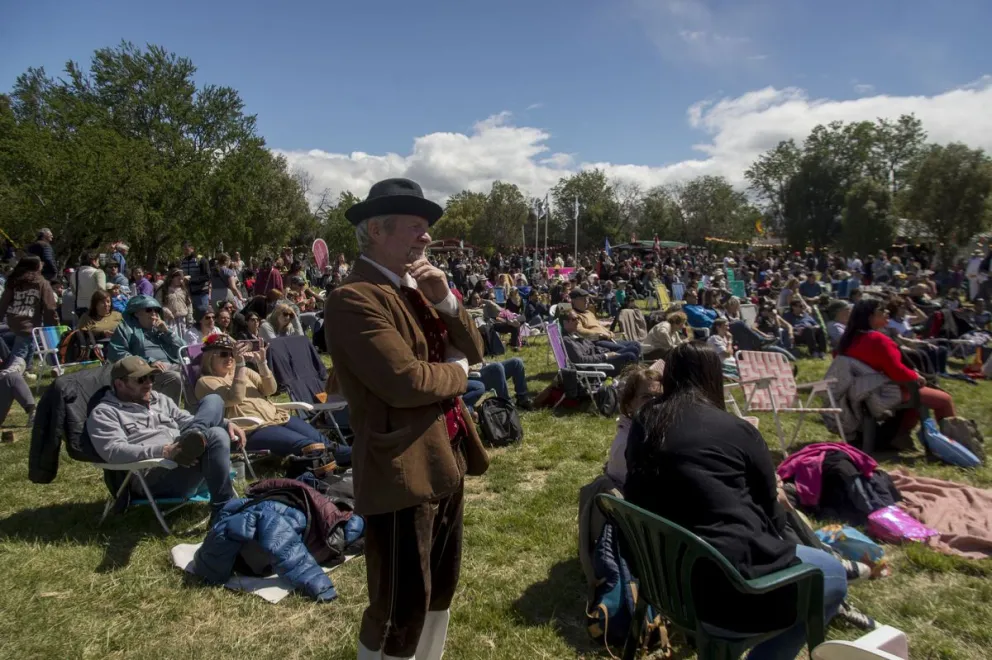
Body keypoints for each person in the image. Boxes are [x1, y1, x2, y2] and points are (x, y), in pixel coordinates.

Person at [325, 177, 489, 659]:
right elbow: (408, 381)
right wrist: (458, 371)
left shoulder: (417, 289)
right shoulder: (354, 297)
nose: (426, 237)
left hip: (446, 455)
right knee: (400, 602)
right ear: (376, 229)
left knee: (439, 586)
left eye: (426, 228)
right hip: (401, 465)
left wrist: (446, 302)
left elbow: (476, 347)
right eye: (415, 227)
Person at [625, 343, 848, 660]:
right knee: (833, 575)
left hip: (663, 580)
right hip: (729, 596)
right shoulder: (738, 429)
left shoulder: (644, 421)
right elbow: (774, 520)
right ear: (715, 377)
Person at [86, 356, 243, 521]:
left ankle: (193, 436)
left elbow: (186, 419)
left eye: (151, 377)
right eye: (141, 379)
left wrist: (226, 423)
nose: (149, 383)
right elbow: (113, 451)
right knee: (216, 434)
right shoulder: (105, 413)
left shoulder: (158, 399)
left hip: (185, 455)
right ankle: (223, 509)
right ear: (119, 384)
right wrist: (164, 451)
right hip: (155, 474)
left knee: (214, 400)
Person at [194, 334, 345, 459]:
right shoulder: (206, 382)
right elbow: (235, 398)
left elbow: (270, 389)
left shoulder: (244, 372)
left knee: (321, 440)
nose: (230, 358)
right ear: (209, 358)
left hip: (277, 417)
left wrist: (262, 363)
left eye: (232, 353)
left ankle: (350, 457)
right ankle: (353, 459)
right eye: (223, 354)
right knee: (307, 445)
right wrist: (240, 366)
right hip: (251, 428)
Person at [838, 299, 956, 431]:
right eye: (882, 310)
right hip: (884, 392)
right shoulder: (878, 339)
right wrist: (916, 376)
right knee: (944, 400)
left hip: (857, 392)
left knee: (920, 397)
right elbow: (896, 371)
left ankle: (899, 437)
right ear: (870, 316)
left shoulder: (848, 339)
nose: (887, 312)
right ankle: (954, 442)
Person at [106, 295, 185, 404]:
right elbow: (117, 353)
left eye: (156, 310)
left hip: (171, 365)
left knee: (195, 370)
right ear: (136, 313)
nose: (154, 313)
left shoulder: (160, 329)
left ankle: (194, 415)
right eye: (148, 310)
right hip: (146, 373)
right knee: (174, 378)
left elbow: (184, 351)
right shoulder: (125, 329)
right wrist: (147, 362)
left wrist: (168, 333)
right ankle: (167, 414)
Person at [604, 364, 662, 487]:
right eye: (646, 397)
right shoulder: (628, 444)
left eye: (659, 396)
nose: (654, 402)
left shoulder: (646, 429)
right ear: (629, 404)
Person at [0, 256, 58, 367]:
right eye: (40, 262)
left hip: (14, 319)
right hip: (29, 321)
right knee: (20, 351)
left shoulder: (14, 281)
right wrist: (52, 323)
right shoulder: (42, 283)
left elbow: (4, 302)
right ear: (35, 266)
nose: (43, 264)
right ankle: (12, 373)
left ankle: (27, 368)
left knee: (31, 342)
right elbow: (49, 306)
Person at [570, 288, 642, 358]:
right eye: (583, 299)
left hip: (608, 339)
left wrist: (608, 331)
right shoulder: (575, 315)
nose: (586, 301)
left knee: (636, 344)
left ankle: (633, 366)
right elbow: (579, 330)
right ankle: (630, 367)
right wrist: (599, 334)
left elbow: (597, 325)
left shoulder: (588, 312)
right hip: (596, 341)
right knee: (631, 349)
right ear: (574, 300)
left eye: (587, 298)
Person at [561, 310, 639, 373]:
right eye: (574, 319)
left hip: (600, 356)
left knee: (634, 348)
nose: (577, 321)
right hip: (595, 367)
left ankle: (634, 378)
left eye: (578, 318)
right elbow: (581, 360)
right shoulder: (567, 340)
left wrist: (606, 351)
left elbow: (592, 346)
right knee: (630, 356)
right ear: (565, 322)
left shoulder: (575, 334)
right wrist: (605, 356)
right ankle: (633, 381)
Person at [461, 356, 533, 411]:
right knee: (497, 367)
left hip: (482, 368)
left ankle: (522, 398)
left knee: (517, 362)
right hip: (471, 376)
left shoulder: (468, 342)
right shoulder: (453, 345)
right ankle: (506, 404)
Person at [157, 268, 194, 335]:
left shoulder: (184, 290)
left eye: (182, 279)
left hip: (182, 320)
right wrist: (164, 310)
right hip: (170, 320)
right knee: (173, 337)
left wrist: (190, 317)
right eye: (178, 278)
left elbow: (189, 304)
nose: (181, 280)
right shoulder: (163, 290)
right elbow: (158, 303)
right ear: (171, 278)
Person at [180, 241, 212, 320]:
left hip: (201, 293)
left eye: (186, 250)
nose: (185, 252)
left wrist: (191, 280)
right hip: (188, 293)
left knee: (203, 315)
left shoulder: (201, 260)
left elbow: (207, 276)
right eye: (183, 250)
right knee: (191, 316)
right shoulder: (183, 261)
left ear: (192, 249)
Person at [71, 252, 107, 318]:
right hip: (95, 308)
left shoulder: (74, 274)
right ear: (93, 261)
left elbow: (73, 292)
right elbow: (102, 291)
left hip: (79, 308)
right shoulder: (98, 272)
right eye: (98, 260)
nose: (99, 263)